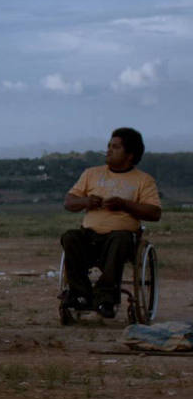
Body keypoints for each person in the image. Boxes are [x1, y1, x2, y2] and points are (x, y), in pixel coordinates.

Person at [61, 127, 161, 318]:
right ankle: (80, 295)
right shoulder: (91, 174)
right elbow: (69, 202)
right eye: (109, 146)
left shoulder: (143, 180)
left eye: (115, 147)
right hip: (89, 236)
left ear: (130, 155)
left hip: (120, 238)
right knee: (70, 237)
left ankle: (105, 297)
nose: (108, 150)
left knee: (121, 239)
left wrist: (124, 205)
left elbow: (155, 212)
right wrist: (86, 201)